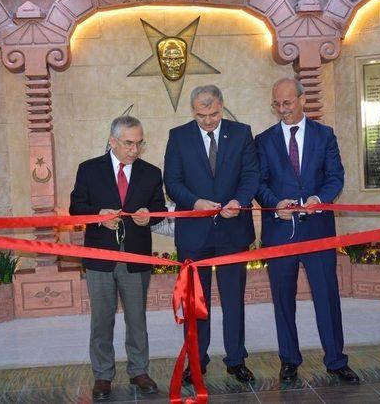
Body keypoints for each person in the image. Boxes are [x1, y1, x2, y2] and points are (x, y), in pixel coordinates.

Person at [255, 78, 359, 384]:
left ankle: (336, 360)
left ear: (303, 100)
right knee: (282, 299)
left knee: (327, 296)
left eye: (288, 103)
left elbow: (335, 177)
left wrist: (319, 199)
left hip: (318, 230)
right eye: (277, 104)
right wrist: (275, 204)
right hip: (279, 231)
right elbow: (258, 183)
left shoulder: (324, 135)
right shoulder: (263, 140)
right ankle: (289, 359)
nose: (282, 109)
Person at [164, 85, 259, 383]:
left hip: (233, 230)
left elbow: (251, 175)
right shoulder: (178, 136)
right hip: (195, 232)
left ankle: (236, 359)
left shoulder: (242, 133)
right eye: (201, 114)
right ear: (192, 111)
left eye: (214, 113)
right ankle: (196, 359)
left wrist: (239, 202)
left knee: (234, 300)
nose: (208, 120)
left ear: (222, 106)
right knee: (195, 303)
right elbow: (172, 181)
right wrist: (195, 203)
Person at [70, 115, 166, 401]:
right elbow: (76, 207)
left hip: (136, 258)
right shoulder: (89, 169)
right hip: (100, 257)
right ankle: (102, 375)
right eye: (128, 143)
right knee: (102, 319)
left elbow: (159, 208)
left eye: (139, 143)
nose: (134, 150)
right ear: (112, 141)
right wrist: (97, 216)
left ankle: (139, 370)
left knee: (137, 318)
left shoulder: (151, 172)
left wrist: (148, 217)